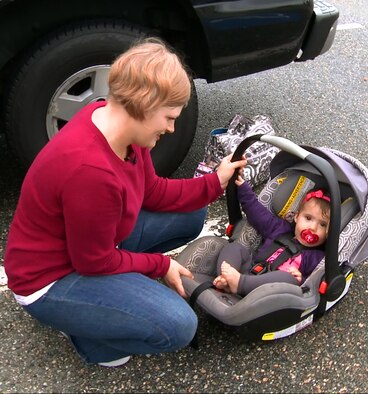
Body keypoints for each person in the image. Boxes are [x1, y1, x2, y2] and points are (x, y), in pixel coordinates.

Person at [4, 37, 247, 367]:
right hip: (49, 279)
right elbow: (93, 262)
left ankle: (111, 300)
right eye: (169, 117)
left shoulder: (111, 120)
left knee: (192, 214)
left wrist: (214, 182)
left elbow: (152, 192)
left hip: (87, 247)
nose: (173, 128)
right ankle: (89, 336)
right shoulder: (90, 172)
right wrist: (160, 265)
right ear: (145, 106)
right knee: (179, 326)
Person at [213, 173, 330, 296]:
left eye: (323, 225)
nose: (312, 227)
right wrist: (243, 188)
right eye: (308, 218)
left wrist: (302, 279)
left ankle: (239, 284)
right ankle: (226, 280)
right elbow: (257, 214)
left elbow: (314, 282)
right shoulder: (280, 229)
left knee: (290, 278)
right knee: (235, 247)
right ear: (296, 216)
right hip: (249, 270)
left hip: (271, 290)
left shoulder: (317, 256)